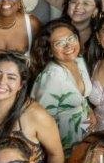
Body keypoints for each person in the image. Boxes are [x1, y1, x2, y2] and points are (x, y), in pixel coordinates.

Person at [30, 20, 95, 153]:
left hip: (83, 137)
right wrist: (56, 154)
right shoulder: (52, 76)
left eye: (71, 38)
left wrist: (89, 112)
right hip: (61, 144)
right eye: (59, 43)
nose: (68, 45)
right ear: (50, 51)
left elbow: (81, 97)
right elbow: (42, 120)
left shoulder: (79, 60)